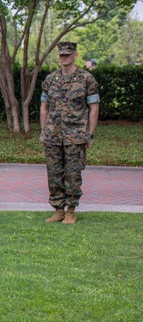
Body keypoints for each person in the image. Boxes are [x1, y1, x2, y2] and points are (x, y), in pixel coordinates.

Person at [40, 42, 100, 225]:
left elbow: (94, 107)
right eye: (61, 54)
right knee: (54, 174)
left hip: (75, 135)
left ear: (76, 55)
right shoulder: (50, 80)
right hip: (52, 135)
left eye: (68, 54)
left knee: (73, 174)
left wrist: (89, 133)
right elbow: (44, 108)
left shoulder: (86, 79)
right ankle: (58, 210)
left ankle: (71, 210)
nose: (64, 57)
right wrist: (43, 132)